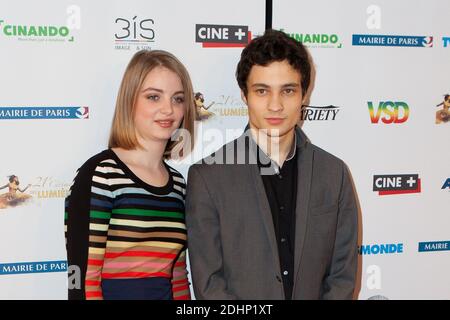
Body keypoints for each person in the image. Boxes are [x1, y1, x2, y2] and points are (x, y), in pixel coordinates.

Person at [185, 29, 358, 300]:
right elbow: (209, 285)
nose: (275, 105)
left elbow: (342, 277)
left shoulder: (334, 174)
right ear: (244, 95)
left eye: (288, 90)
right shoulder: (207, 178)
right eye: (262, 91)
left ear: (304, 95)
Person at [64, 50, 195, 300]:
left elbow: (178, 277)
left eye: (178, 99)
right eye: (153, 97)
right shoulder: (101, 174)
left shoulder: (178, 184)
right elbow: (82, 280)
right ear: (130, 100)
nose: (168, 109)